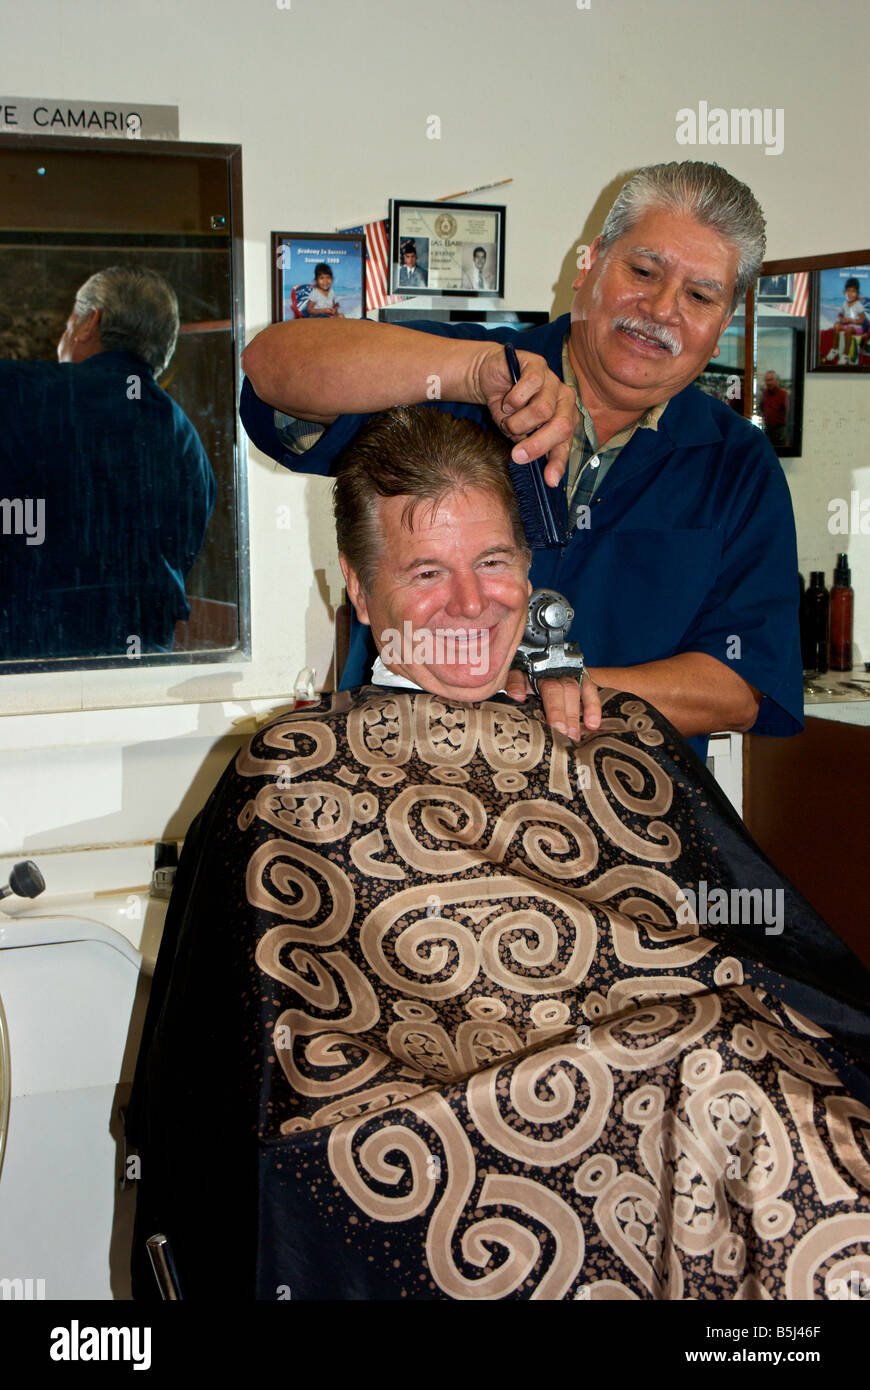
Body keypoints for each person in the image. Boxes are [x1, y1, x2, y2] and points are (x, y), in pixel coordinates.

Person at [128, 407, 870, 1302]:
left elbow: (764, 945)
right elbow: (237, 1071)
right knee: (737, 1084)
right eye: (426, 572)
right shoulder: (295, 774)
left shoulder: (615, 735)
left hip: (699, 1115)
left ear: (529, 572)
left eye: (493, 563)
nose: (473, 604)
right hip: (428, 1163)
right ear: (361, 595)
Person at [240, 161, 805, 762]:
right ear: (589, 265)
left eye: (699, 296)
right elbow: (270, 369)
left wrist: (570, 690)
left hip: (621, 807)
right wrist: (472, 373)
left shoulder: (738, 465)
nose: (662, 308)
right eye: (643, 271)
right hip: (399, 779)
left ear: (721, 329)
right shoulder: (452, 372)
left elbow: (745, 681)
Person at [0, 265, 216, 659]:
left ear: (89, 322)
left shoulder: (21, 394)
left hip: (27, 657)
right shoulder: (189, 443)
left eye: (68, 324)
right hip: (142, 662)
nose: (62, 339)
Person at [826, 277, 868, 364]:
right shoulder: (845, 303)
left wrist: (851, 320)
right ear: (845, 292)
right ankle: (835, 349)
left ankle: (845, 355)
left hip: (857, 328)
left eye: (853, 291)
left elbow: (862, 320)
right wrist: (842, 319)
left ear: (857, 293)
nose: (850, 294)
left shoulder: (858, 305)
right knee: (836, 325)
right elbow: (840, 314)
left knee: (848, 330)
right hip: (847, 325)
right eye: (848, 291)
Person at [757, 369, 790, 447]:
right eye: (767, 380)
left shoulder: (783, 395)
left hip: (780, 431)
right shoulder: (763, 394)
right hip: (768, 430)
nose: (769, 383)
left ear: (776, 380)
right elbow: (760, 409)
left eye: (771, 380)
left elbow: (789, 414)